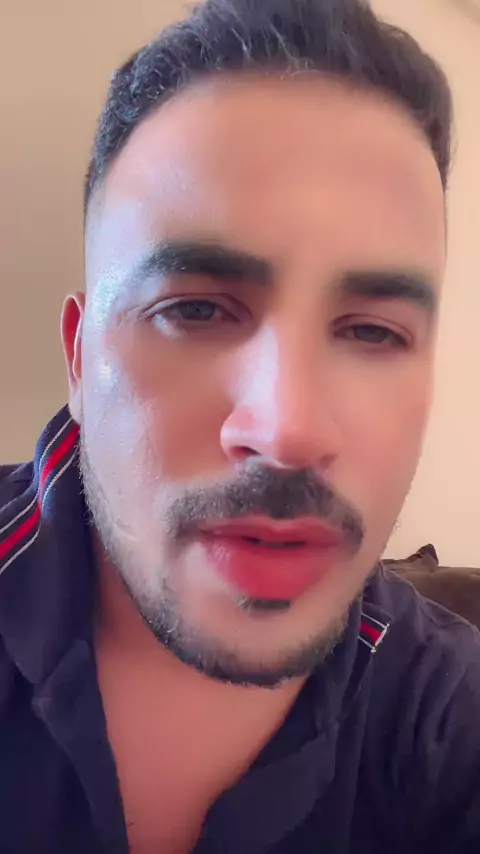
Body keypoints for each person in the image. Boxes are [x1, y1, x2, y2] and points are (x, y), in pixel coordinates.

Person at [0, 0, 479, 851]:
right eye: (195, 309)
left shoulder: (451, 721)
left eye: (373, 332)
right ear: (79, 360)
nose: (288, 430)